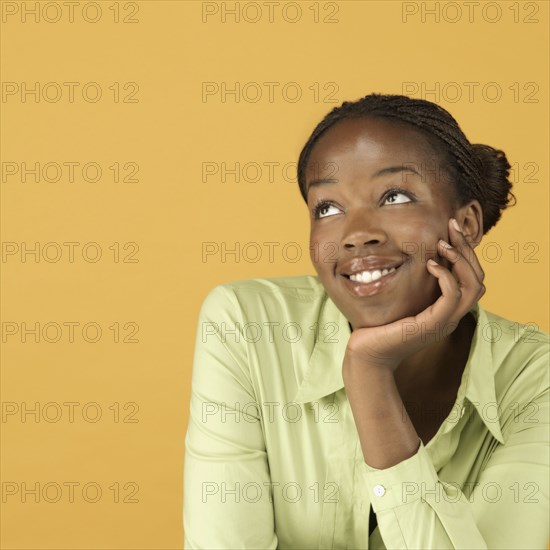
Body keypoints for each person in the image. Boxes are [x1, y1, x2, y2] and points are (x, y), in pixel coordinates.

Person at [183, 94, 549, 549]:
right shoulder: (246, 326)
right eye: (328, 208)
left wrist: (369, 373)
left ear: (467, 224)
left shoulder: (536, 381)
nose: (357, 234)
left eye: (394, 196)